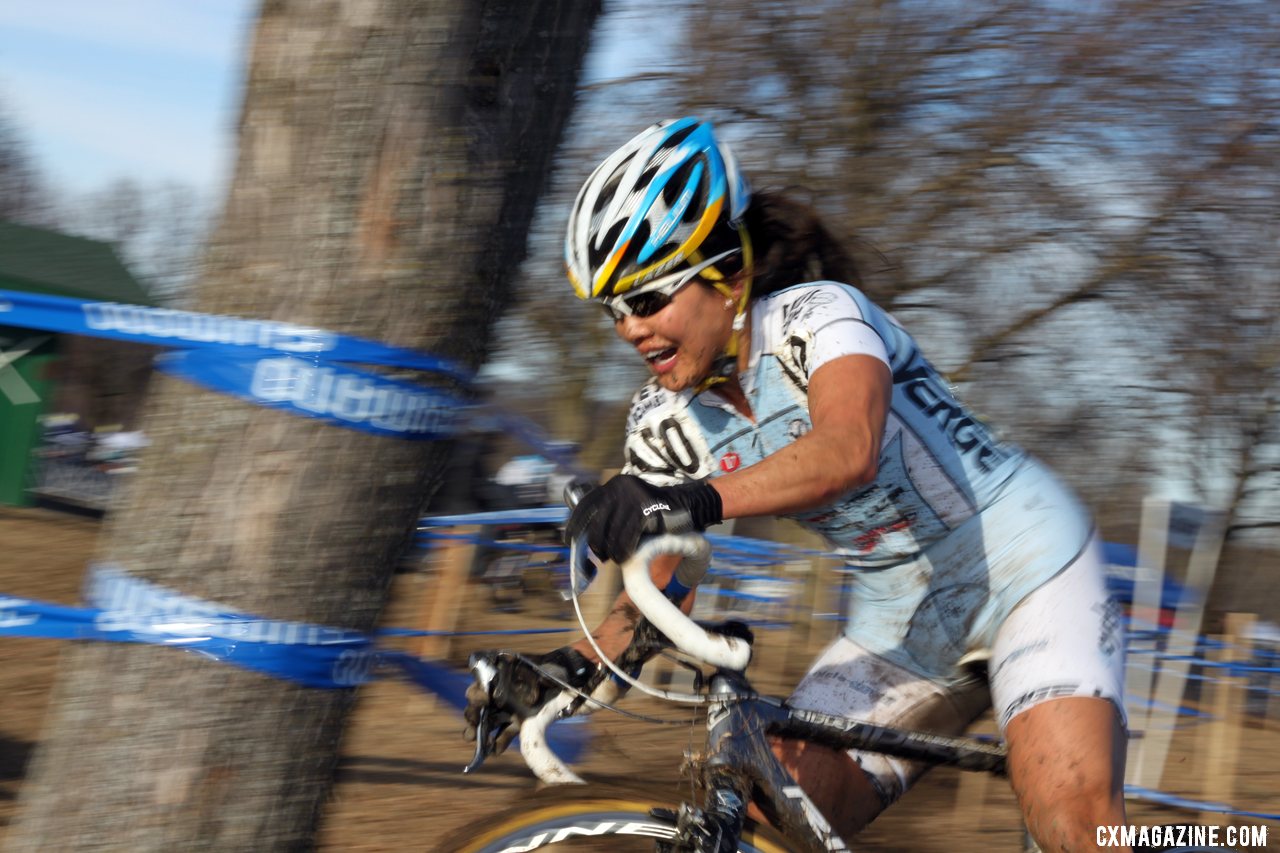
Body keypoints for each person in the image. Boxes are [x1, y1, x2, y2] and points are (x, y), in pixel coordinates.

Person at [466, 117, 1129, 850]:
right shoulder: (661, 421)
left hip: (1029, 567)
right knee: (760, 821)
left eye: (647, 297)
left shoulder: (819, 318)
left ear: (728, 272)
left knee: (1073, 825)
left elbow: (848, 448)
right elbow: (660, 584)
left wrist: (688, 498)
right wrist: (566, 668)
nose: (629, 327)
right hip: (900, 625)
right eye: (614, 309)